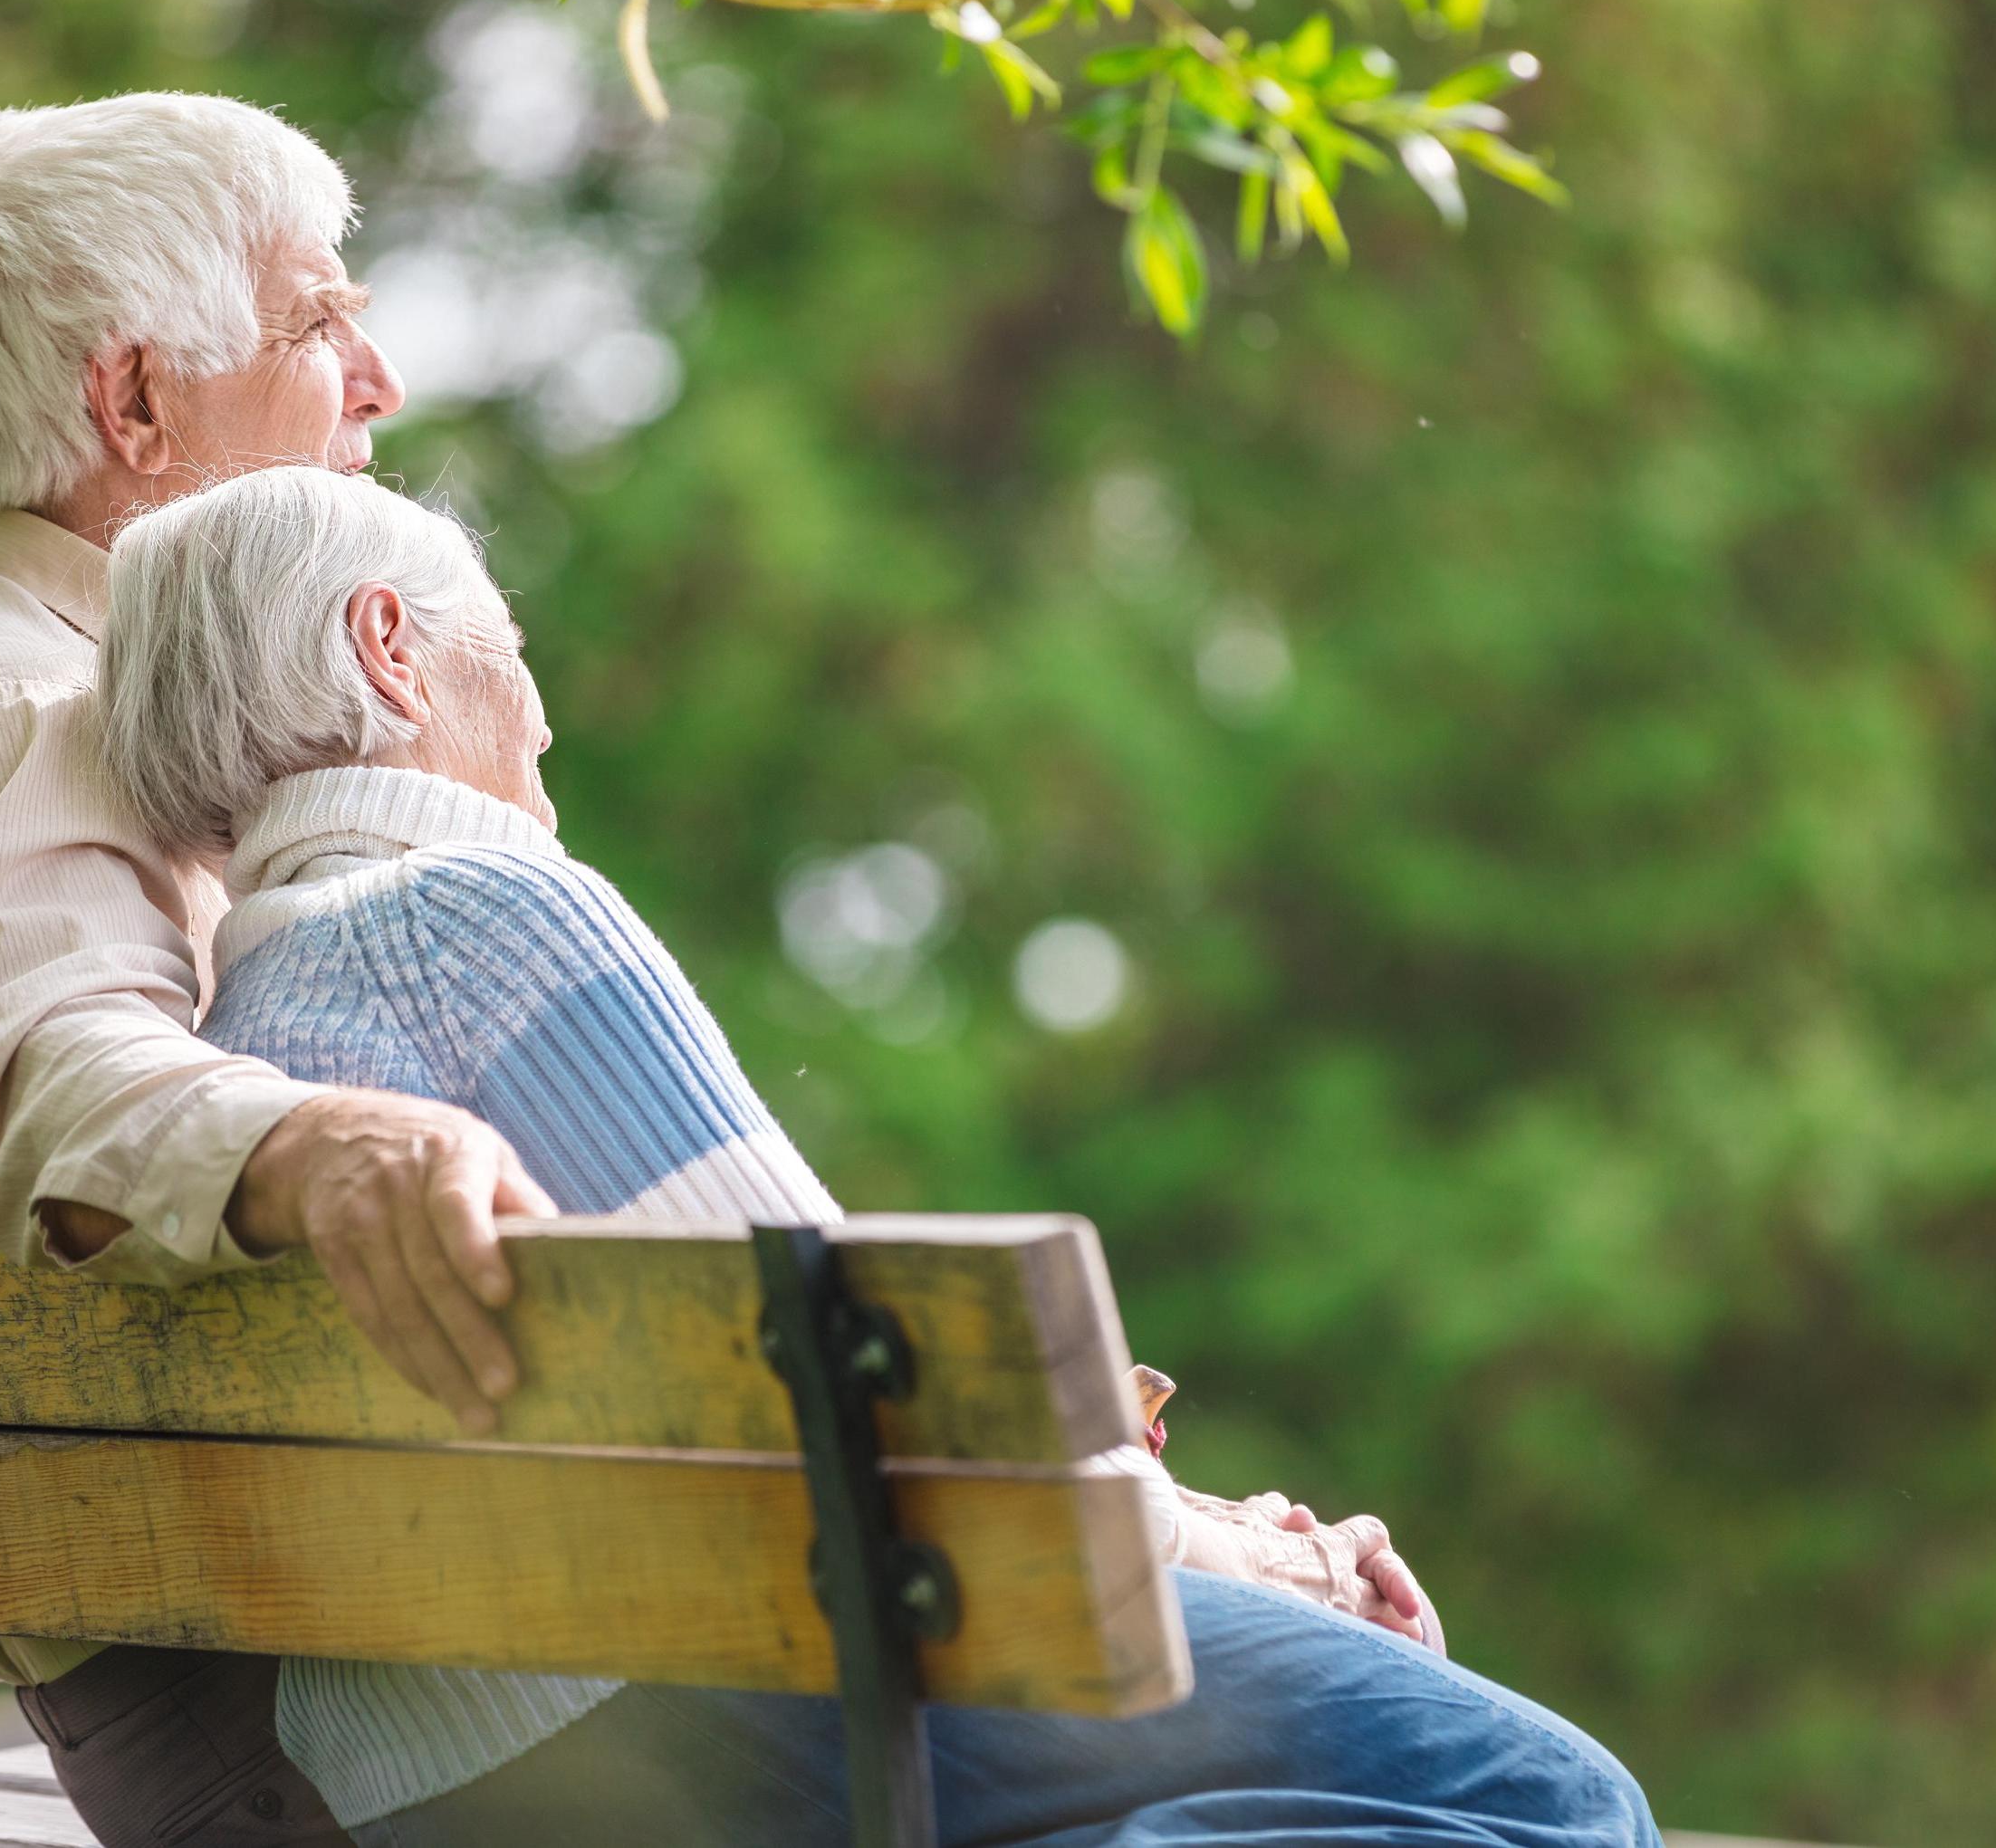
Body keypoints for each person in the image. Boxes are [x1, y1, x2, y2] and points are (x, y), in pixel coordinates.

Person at [96, 463, 1665, 1848]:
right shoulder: (479, 916)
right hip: (699, 1707)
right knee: (1558, 1801)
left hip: (417, 1781)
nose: (547, 708)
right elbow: (879, 1415)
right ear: (391, 648)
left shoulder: (233, 1027)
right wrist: (1267, 1558)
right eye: (506, 647)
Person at [0, 93, 568, 1848]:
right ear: (133, 403)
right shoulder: (25, 696)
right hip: (271, 1707)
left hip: (316, 1630)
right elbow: (49, 1068)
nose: (379, 377)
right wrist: (328, 1146)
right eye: (316, 318)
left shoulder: (130, 695)